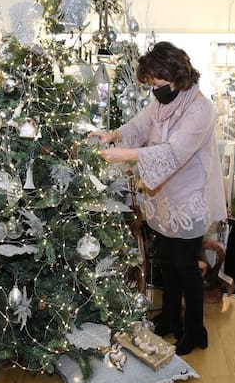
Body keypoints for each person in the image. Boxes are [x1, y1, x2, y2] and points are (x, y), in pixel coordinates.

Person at [88, 41, 226, 355]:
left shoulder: (201, 108)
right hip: (164, 195)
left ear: (178, 75)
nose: (154, 90)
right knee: (166, 260)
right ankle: (170, 318)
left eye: (158, 83)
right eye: (150, 84)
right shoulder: (162, 102)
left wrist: (126, 154)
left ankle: (196, 330)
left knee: (186, 266)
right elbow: (139, 125)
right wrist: (112, 135)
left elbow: (175, 152)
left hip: (189, 196)